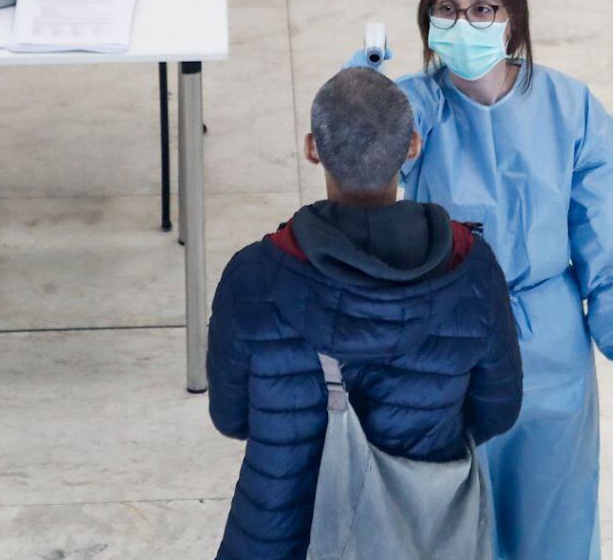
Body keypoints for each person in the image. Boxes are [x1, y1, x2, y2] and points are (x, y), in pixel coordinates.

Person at [345, 0, 613, 560]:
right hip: (444, 341)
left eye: (482, 8)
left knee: (555, 519)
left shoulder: (570, 110)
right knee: (451, 523)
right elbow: (352, 172)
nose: (463, 22)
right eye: (447, 8)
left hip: (546, 344)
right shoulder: (415, 108)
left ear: (512, 20)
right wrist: (358, 97)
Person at [206, 67, 523, 560]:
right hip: (416, 537)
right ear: (413, 146)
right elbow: (497, 410)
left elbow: (230, 417)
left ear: (313, 148)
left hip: (276, 533)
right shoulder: (473, 271)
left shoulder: (253, 277)